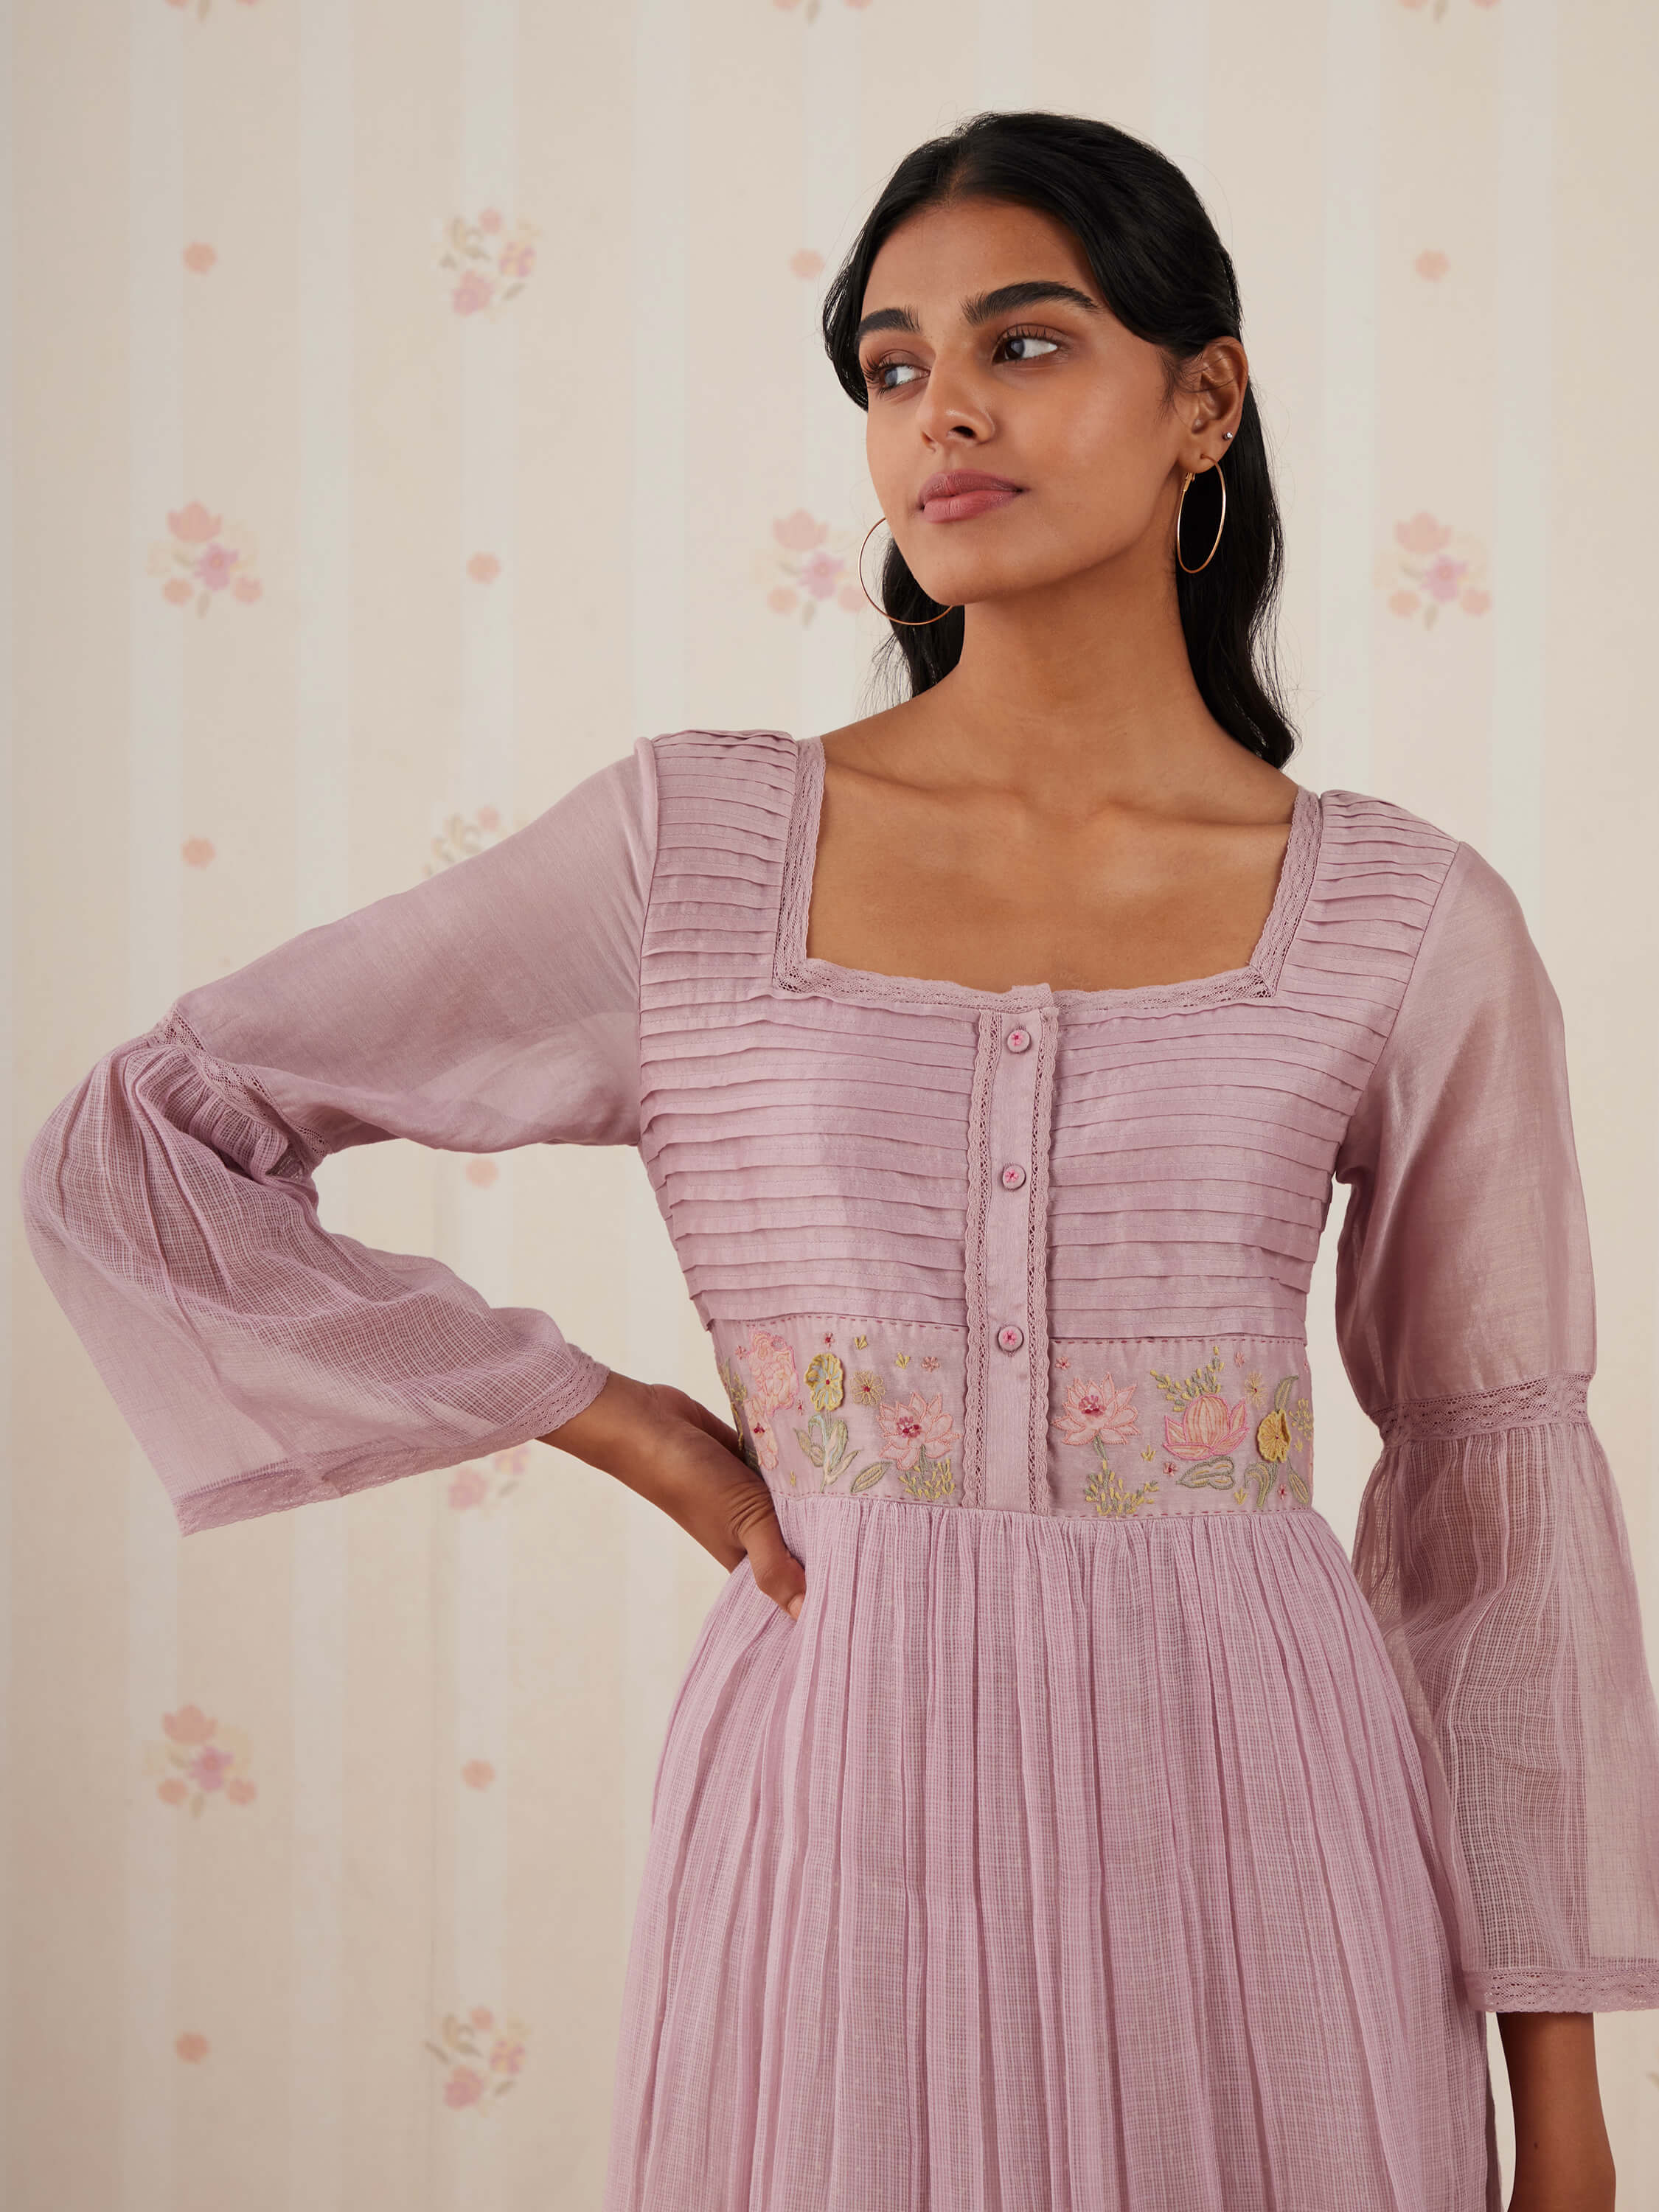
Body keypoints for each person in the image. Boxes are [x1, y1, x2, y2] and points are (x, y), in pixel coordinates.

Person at [21, 108, 1659, 2212]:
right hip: (838, 1808)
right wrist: (607, 1418)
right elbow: (153, 1135)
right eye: (889, 367)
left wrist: (1561, 2104)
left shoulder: (1402, 920)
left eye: (1025, 342)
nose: (941, 409)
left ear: (1204, 401)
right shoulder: (688, 859)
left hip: (1269, 1830)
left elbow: (1486, 1486)